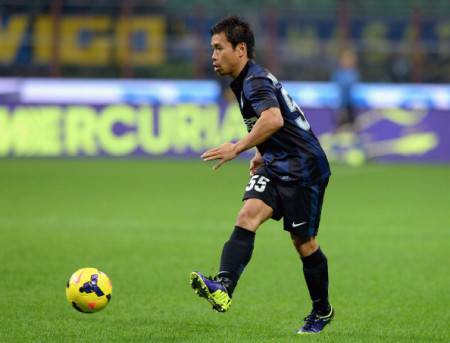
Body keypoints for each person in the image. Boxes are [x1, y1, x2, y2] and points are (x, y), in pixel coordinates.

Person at [190, 16, 333, 334]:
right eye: (212, 48)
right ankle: (224, 287)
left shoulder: (253, 81)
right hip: (277, 161)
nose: (213, 55)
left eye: (218, 48)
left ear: (240, 49)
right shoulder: (244, 80)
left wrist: (238, 148)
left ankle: (322, 312)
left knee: (303, 242)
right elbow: (266, 123)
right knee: (248, 214)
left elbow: (273, 119)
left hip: (303, 168)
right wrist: (260, 152)